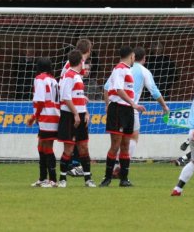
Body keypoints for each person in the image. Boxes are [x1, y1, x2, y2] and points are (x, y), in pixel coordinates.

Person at [106, 47, 169, 178]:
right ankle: (119, 168)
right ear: (143, 58)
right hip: (130, 108)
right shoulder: (143, 71)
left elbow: (106, 88)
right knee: (131, 139)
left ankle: (115, 169)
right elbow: (154, 91)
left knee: (117, 141)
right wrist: (164, 106)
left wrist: (108, 105)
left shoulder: (119, 68)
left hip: (116, 107)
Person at [100, 46, 146, 187]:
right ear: (131, 56)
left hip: (127, 111)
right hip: (118, 110)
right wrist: (133, 104)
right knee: (115, 144)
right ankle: (107, 178)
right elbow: (119, 90)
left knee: (125, 144)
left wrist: (131, 106)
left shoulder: (127, 70)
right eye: (133, 57)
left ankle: (124, 179)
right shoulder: (120, 68)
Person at [56, 50, 96, 187]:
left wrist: (85, 112)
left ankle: (88, 179)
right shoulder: (69, 76)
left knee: (83, 146)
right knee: (69, 148)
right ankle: (62, 179)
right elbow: (65, 97)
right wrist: (75, 114)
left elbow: (77, 97)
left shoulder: (77, 76)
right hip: (70, 116)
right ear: (80, 62)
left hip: (80, 114)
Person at [61, 39, 92, 177]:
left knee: (79, 139)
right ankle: (73, 165)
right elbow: (66, 84)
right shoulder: (72, 66)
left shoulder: (78, 65)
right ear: (89, 50)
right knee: (71, 138)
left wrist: (81, 98)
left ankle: (75, 165)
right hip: (67, 106)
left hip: (74, 103)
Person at [28, 57, 60, 187]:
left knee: (47, 147)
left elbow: (40, 101)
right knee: (41, 145)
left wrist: (34, 116)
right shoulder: (53, 80)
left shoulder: (40, 79)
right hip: (53, 116)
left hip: (47, 116)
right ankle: (42, 178)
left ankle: (53, 180)